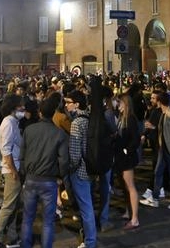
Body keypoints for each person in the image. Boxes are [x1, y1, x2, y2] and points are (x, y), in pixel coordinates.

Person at [19, 95, 69, 248]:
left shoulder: (29, 130)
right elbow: (64, 160)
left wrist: (24, 175)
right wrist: (61, 176)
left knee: (28, 218)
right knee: (48, 221)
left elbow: (22, 156)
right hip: (49, 180)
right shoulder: (59, 133)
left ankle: (25, 245)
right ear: (53, 113)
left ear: (40, 112)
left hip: (31, 178)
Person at [140, 91, 170, 210]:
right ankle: (155, 198)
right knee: (158, 172)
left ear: (160, 102)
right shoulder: (164, 113)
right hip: (164, 148)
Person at [0, 95, 25, 248]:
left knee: (15, 205)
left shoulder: (13, 122)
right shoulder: (8, 123)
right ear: (13, 107)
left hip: (16, 167)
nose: (23, 108)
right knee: (8, 205)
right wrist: (13, 171)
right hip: (12, 169)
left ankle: (12, 236)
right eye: (20, 106)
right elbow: (6, 150)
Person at [65, 90, 96, 248]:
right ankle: (88, 237)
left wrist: (69, 170)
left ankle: (90, 241)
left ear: (77, 104)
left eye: (68, 102)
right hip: (92, 167)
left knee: (85, 207)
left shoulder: (77, 123)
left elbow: (75, 155)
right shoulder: (90, 117)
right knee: (88, 204)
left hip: (80, 171)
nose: (66, 105)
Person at [114, 93, 141, 230]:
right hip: (121, 156)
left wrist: (126, 150)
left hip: (127, 157)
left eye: (119, 103)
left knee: (130, 186)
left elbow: (135, 139)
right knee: (125, 186)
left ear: (126, 104)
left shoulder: (130, 119)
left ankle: (134, 218)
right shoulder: (121, 118)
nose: (117, 105)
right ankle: (128, 211)